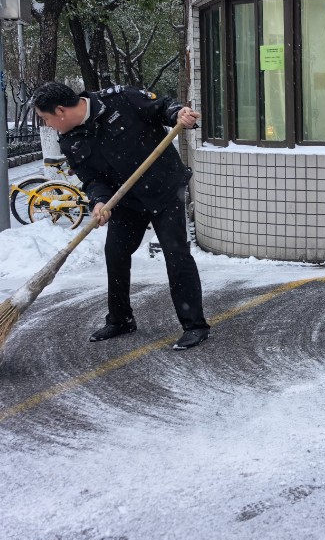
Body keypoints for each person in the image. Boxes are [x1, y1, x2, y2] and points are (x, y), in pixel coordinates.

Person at [31, 82, 210, 350]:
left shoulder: (120, 100)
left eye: (45, 119)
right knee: (115, 253)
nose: (48, 125)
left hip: (162, 190)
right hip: (126, 201)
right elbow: (92, 178)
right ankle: (120, 319)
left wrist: (178, 113)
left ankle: (195, 326)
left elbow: (161, 107)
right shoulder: (70, 140)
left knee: (176, 254)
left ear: (60, 111)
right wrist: (100, 201)